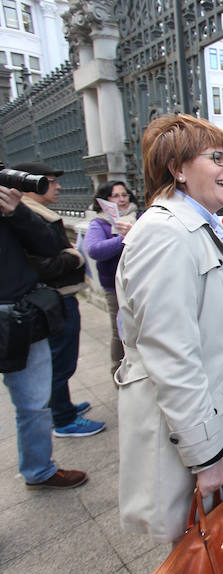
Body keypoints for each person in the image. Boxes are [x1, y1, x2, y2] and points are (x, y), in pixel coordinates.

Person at [115, 114, 223, 543]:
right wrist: (205, 456)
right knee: (201, 555)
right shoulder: (165, 235)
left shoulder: (201, 225)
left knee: (220, 547)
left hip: (220, 413)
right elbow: (172, 357)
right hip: (196, 432)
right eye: (218, 157)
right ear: (178, 169)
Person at [1, 183, 88, 489]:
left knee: (34, 403)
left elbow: (52, 246)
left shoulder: (14, 210)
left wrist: (16, 213)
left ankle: (39, 470)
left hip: (20, 318)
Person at [15, 161, 105, 438]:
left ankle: (62, 407)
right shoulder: (24, 217)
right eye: (51, 181)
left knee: (62, 360)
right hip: (52, 301)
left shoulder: (35, 213)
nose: (58, 186)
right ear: (29, 186)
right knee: (58, 363)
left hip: (61, 298)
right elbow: (39, 263)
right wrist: (74, 257)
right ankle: (63, 419)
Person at [84, 181, 138, 374]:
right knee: (120, 330)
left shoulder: (139, 218)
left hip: (140, 283)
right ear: (105, 200)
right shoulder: (100, 223)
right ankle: (118, 370)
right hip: (115, 286)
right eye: (116, 196)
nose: (122, 199)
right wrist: (125, 238)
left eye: (124, 195)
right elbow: (94, 250)